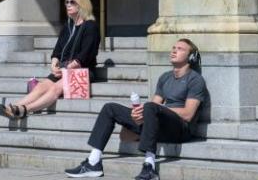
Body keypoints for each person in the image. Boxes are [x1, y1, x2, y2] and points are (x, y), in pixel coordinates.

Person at [65, 39, 208, 180]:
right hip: (162, 124)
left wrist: (155, 109)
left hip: (181, 129)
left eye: (180, 49)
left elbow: (188, 114)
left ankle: (149, 166)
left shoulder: (195, 80)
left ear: (191, 57)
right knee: (110, 108)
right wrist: (138, 115)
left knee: (150, 107)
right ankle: (93, 163)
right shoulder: (165, 78)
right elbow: (154, 106)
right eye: (173, 47)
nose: (174, 51)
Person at [0, 0, 100, 120]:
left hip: (82, 70)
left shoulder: (90, 26)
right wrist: (54, 64)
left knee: (55, 88)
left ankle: (24, 110)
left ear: (82, 5)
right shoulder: (68, 27)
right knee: (41, 86)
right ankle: (12, 108)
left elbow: (86, 54)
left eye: (72, 2)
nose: (68, 5)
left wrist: (67, 68)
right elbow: (58, 50)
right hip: (64, 69)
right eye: (67, 2)